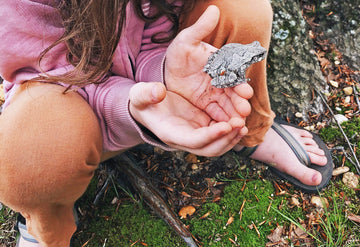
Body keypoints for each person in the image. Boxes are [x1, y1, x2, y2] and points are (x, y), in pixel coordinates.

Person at [0, 0, 332, 246]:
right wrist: (129, 104)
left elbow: (153, 28)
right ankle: (46, 226)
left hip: (162, 91)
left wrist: (164, 74)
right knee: (32, 158)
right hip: (63, 98)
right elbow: (43, 67)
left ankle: (246, 130)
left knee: (242, 8)